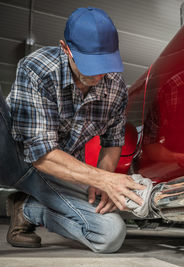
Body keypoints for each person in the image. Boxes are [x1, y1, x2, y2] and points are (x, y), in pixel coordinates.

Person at [1, 7, 145, 253]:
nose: (99, 74)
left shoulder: (115, 86)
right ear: (65, 48)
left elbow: (113, 140)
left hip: (64, 172)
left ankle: (25, 210)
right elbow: (41, 154)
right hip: (14, 159)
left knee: (110, 234)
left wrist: (102, 183)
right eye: (90, 64)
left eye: (105, 63)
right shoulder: (37, 69)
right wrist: (104, 178)